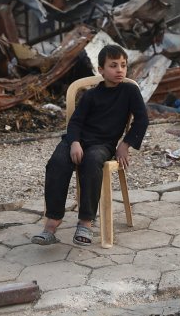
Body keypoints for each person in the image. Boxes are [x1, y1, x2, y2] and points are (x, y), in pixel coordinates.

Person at [32, 44, 148, 246]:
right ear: (101, 70)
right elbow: (75, 122)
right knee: (57, 162)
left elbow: (142, 120)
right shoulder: (91, 95)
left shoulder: (129, 91)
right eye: (113, 65)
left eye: (123, 65)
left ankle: (85, 222)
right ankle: (52, 222)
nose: (119, 70)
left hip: (103, 144)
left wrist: (125, 144)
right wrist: (74, 142)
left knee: (92, 161)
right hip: (78, 140)